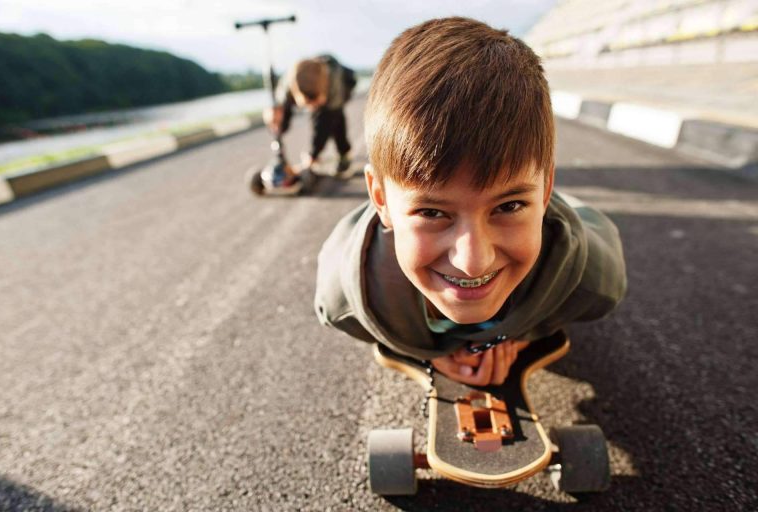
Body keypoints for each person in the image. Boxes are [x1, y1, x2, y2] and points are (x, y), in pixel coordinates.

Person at [313, 17, 627, 387]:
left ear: (545, 192)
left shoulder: (594, 283)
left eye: (508, 206)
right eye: (431, 212)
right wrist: (421, 349)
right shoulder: (344, 302)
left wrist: (516, 334)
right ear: (379, 199)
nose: (472, 260)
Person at [263, 54, 357, 184]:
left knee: (335, 121)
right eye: (307, 103)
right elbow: (282, 108)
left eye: (314, 103)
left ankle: (344, 155)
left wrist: (313, 154)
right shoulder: (287, 85)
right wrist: (276, 122)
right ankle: (282, 162)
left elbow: (324, 126)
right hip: (310, 88)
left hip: (341, 89)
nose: (311, 107)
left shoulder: (334, 83)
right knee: (283, 119)